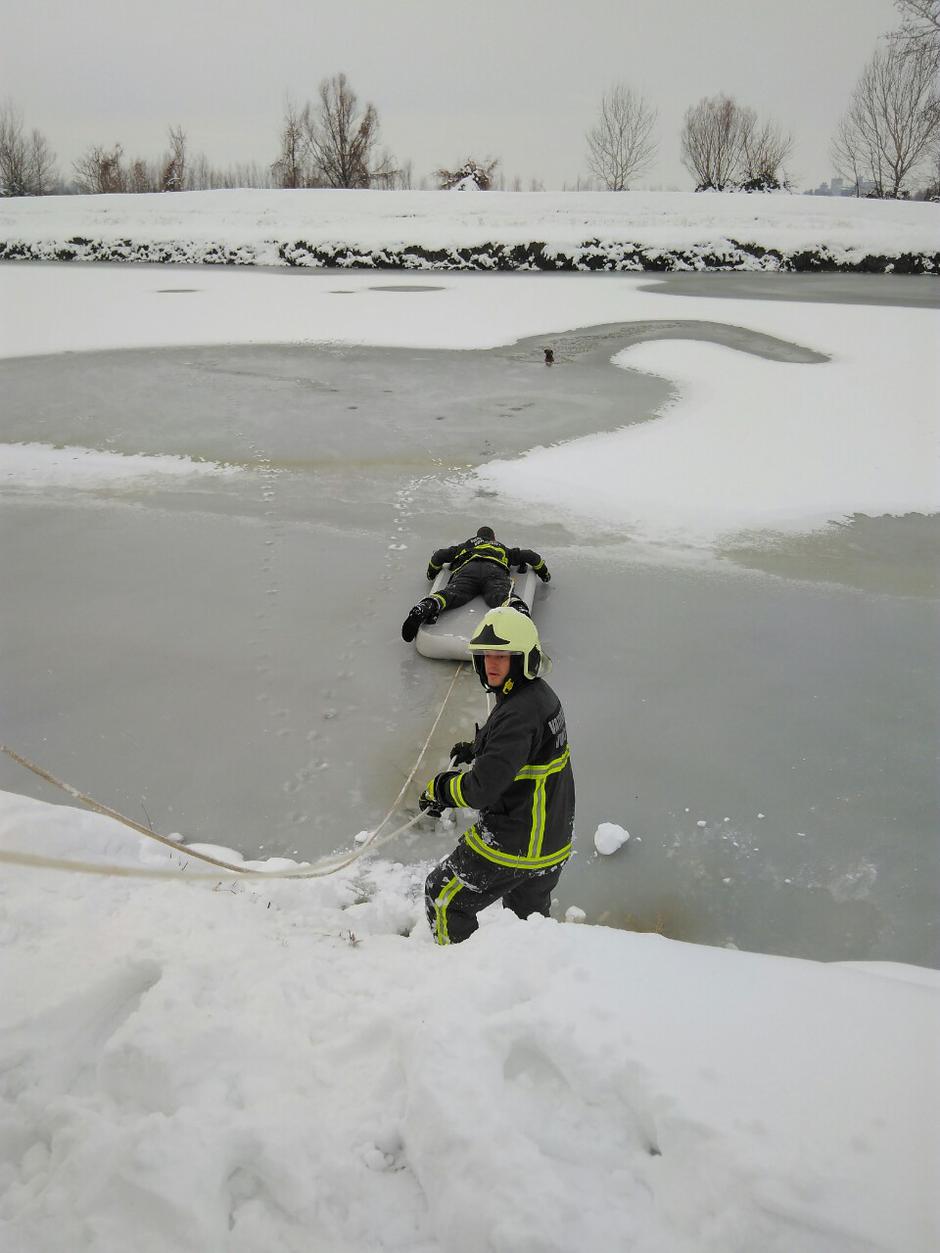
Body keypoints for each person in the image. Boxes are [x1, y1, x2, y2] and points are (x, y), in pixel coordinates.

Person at [421, 605, 575, 945]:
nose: (491, 664)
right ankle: (522, 980)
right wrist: (479, 748)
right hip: (551, 840)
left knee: (443, 896)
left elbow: (481, 790)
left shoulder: (517, 713)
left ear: (521, 660)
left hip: (516, 843)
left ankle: (454, 975)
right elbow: (522, 748)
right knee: (526, 925)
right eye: (487, 655)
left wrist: (441, 789)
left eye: (502, 656)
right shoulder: (537, 696)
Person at [401, 525, 551, 642]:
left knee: (451, 594)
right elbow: (531, 556)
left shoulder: (466, 545)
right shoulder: (501, 548)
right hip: (494, 570)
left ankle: (426, 606)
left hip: (469, 569)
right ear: (493, 537)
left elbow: (439, 555)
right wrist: (544, 574)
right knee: (500, 596)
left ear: (477, 536)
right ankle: (519, 610)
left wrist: (431, 573)